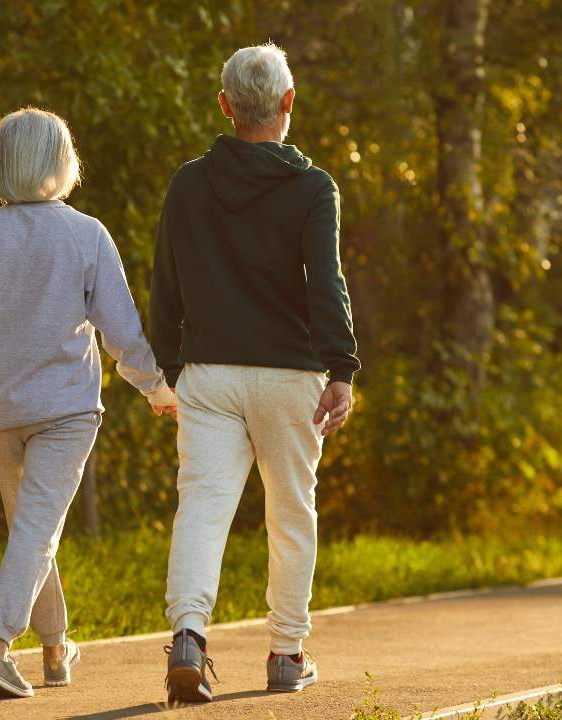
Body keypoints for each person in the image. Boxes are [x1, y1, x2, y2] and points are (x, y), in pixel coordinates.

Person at [0, 107, 177, 699]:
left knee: (32, 528)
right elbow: (121, 330)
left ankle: (56, 650)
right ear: (62, 162)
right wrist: (156, 388)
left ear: (0, 164)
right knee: (36, 529)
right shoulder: (87, 233)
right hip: (65, 409)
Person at [150, 43, 360, 702]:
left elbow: (167, 281)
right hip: (289, 376)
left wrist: (166, 368)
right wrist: (342, 366)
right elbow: (325, 282)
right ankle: (285, 654)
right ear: (288, 103)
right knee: (292, 516)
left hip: (209, 374)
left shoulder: (189, 182)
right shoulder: (312, 187)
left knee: (203, 510)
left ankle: (188, 637)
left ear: (225, 106)